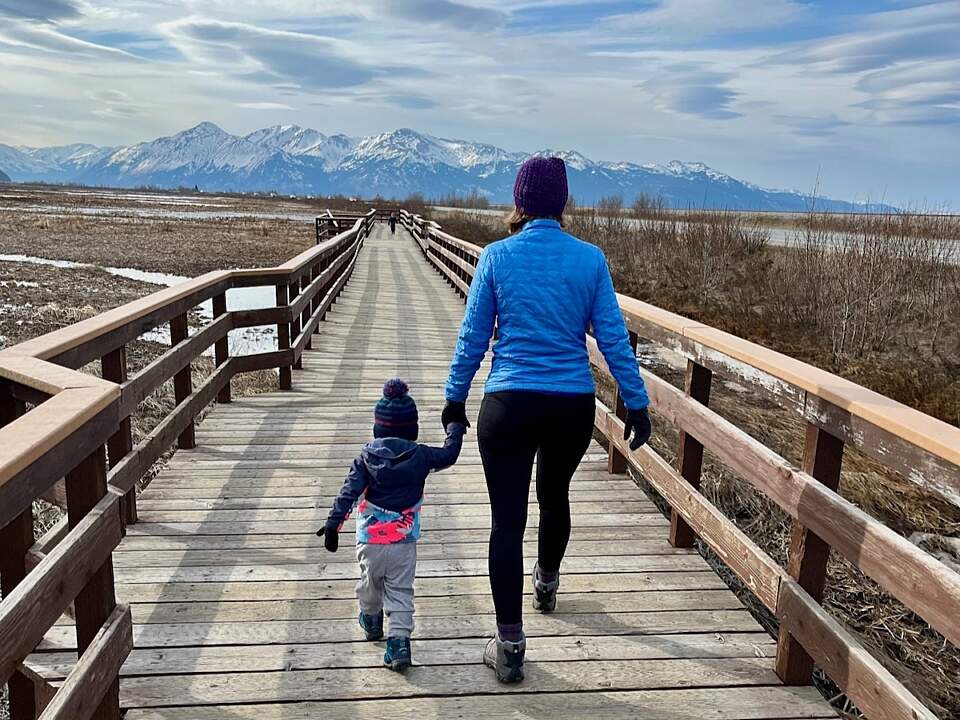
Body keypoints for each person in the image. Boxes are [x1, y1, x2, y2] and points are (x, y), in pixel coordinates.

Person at [441, 156, 652, 683]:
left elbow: (472, 337)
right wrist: (637, 400)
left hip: (508, 403)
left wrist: (454, 397)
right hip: (569, 407)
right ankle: (547, 583)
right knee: (554, 496)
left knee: (505, 522)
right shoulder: (590, 260)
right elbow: (612, 338)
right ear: (563, 204)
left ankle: (509, 644)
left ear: (518, 203)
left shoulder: (495, 257)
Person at [318, 378, 466, 671]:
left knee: (369, 583)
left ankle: (371, 620)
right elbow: (449, 454)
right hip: (403, 541)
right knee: (400, 590)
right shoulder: (421, 455)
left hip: (370, 541)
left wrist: (334, 524)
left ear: (377, 428)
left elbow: (348, 492)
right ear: (413, 429)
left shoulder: (365, 458)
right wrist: (455, 426)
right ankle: (399, 644)